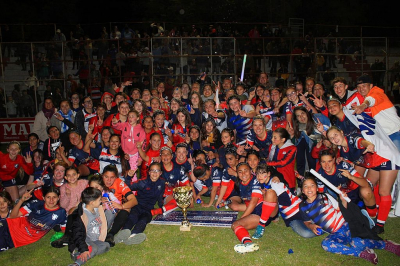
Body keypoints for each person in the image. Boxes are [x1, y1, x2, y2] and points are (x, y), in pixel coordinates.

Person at [299, 176, 400, 264]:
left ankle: (386, 245)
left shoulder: (325, 196)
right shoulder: (303, 206)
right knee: (326, 244)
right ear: (302, 190)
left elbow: (340, 208)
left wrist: (343, 200)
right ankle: (360, 253)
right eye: (306, 186)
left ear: (317, 188)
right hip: (336, 233)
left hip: (346, 226)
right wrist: (311, 226)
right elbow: (306, 221)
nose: (309, 188)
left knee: (357, 243)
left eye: (312, 185)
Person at [326, 126, 399, 234]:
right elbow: (354, 159)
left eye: (335, 135)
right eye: (331, 138)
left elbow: (360, 142)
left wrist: (368, 145)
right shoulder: (342, 149)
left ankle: (380, 224)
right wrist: (343, 159)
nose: (334, 139)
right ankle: (373, 213)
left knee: (383, 191)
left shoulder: (351, 139)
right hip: (373, 163)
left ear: (341, 132)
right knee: (366, 189)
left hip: (386, 158)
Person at [252, 164, 315, 239]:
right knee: (306, 233)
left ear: (268, 174)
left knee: (313, 227)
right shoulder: (266, 185)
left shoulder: (274, 183)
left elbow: (286, 202)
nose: (259, 176)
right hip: (291, 217)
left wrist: (272, 197)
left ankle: (261, 225)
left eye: (262, 173)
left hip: (299, 210)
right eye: (258, 174)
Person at [0, 187, 67, 252]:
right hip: (9, 225)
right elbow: (12, 216)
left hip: (17, 239)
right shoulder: (36, 204)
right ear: (43, 198)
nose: (51, 200)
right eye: (48, 197)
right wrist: (21, 200)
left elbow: (64, 228)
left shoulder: (61, 213)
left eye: (54, 197)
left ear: (59, 197)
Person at [116, 162, 165, 245]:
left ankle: (133, 235)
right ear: (149, 172)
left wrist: (161, 206)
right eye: (152, 170)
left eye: (157, 171)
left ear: (160, 173)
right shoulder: (143, 182)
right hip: (137, 206)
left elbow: (160, 196)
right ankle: (123, 234)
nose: (154, 173)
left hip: (148, 209)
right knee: (132, 217)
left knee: (143, 220)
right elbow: (127, 187)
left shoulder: (162, 183)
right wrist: (129, 177)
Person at [352, 74, 400, 150]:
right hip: (384, 137)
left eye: (364, 86)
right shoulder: (361, 97)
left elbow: (371, 100)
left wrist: (363, 105)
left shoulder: (377, 92)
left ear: (371, 86)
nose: (361, 89)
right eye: (359, 87)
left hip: (395, 133)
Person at [67, 187, 110, 266]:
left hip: (94, 239)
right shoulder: (80, 216)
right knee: (94, 249)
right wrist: (84, 249)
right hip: (85, 238)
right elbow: (78, 234)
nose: (101, 201)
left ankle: (83, 253)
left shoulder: (97, 208)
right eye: (99, 200)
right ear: (92, 202)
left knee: (106, 246)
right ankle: (77, 263)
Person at [230, 162, 264, 254]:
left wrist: (243, 217)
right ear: (237, 173)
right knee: (236, 224)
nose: (243, 174)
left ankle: (248, 243)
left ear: (250, 171)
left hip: (261, 213)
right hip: (255, 210)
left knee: (236, 224)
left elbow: (253, 202)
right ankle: (248, 244)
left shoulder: (255, 181)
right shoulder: (240, 183)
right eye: (240, 172)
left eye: (246, 171)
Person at [102, 165, 138, 247]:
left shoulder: (119, 183)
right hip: (100, 211)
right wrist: (99, 200)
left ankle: (111, 234)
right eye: (106, 177)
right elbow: (86, 199)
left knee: (127, 207)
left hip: (115, 210)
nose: (108, 180)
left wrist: (121, 206)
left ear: (116, 178)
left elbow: (134, 200)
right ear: (102, 175)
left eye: (112, 177)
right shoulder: (97, 181)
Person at [112, 109, 145, 182]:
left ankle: (133, 190)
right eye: (129, 117)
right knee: (123, 171)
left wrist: (140, 158)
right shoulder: (125, 125)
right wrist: (114, 122)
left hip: (134, 154)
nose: (130, 118)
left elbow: (142, 146)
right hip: (124, 153)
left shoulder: (141, 130)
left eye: (132, 116)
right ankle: (123, 186)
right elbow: (116, 126)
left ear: (137, 118)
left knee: (132, 172)